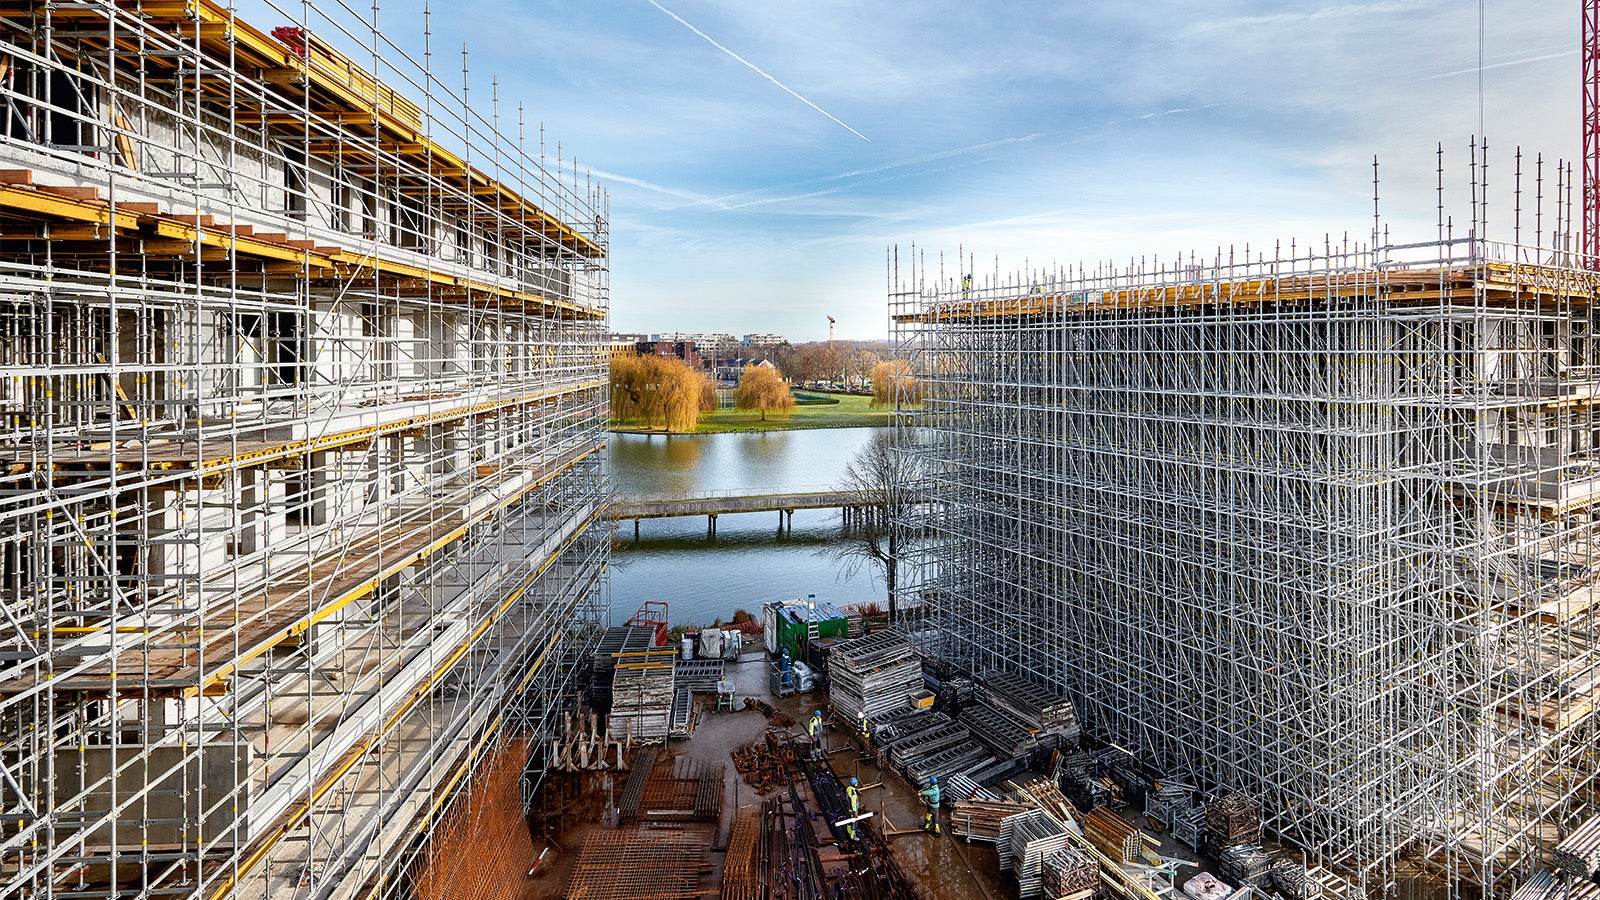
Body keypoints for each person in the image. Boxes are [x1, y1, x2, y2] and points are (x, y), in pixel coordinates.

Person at [844, 776, 862, 841]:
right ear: (855, 784)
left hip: (848, 808)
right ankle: (853, 836)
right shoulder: (853, 794)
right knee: (854, 822)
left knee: (849, 820)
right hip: (853, 810)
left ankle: (848, 830)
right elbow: (853, 804)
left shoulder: (848, 788)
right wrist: (855, 813)